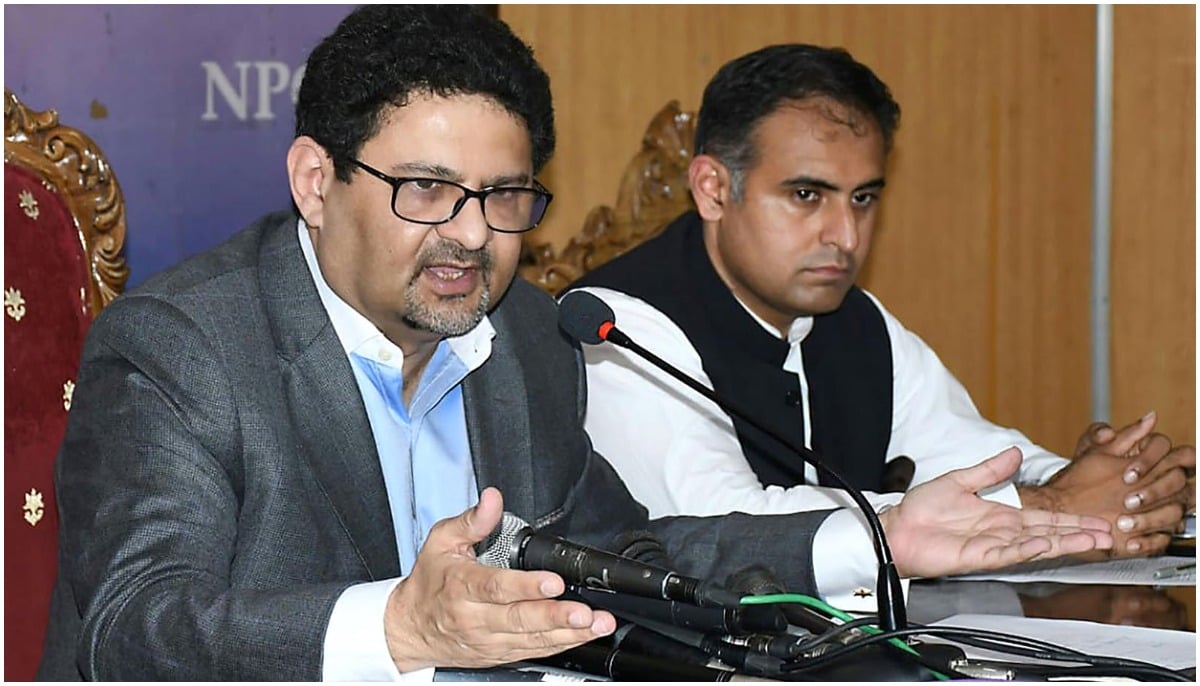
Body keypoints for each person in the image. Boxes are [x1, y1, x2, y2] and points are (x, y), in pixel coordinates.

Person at [37, 10, 1113, 681]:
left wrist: (877, 542)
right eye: (425, 190)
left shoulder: (524, 338)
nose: (470, 234)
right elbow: (138, 629)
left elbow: (638, 558)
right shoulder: (182, 348)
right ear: (316, 182)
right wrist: (400, 628)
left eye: (504, 195)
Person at [569, 43, 1194, 597]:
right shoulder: (618, 328)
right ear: (712, 189)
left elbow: (976, 452)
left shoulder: (849, 314)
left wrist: (1118, 487)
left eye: (863, 198)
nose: (845, 237)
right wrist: (1054, 506)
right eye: (807, 196)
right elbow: (725, 525)